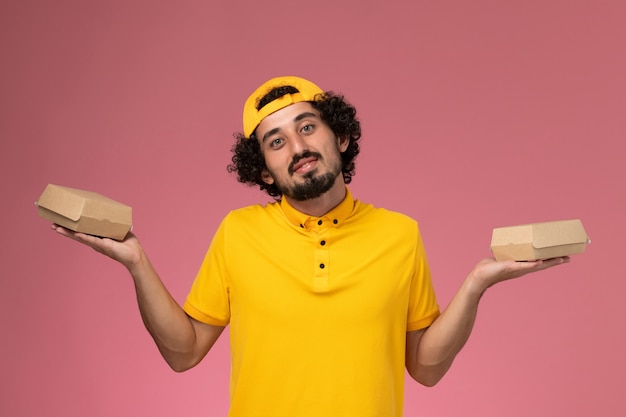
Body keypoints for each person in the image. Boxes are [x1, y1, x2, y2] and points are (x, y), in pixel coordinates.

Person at [52, 76, 570, 417]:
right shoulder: (238, 231)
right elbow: (184, 352)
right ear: (263, 169)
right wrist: (137, 262)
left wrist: (478, 282)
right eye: (276, 141)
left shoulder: (400, 234)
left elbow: (426, 369)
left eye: (307, 127)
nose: (297, 147)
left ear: (339, 137)